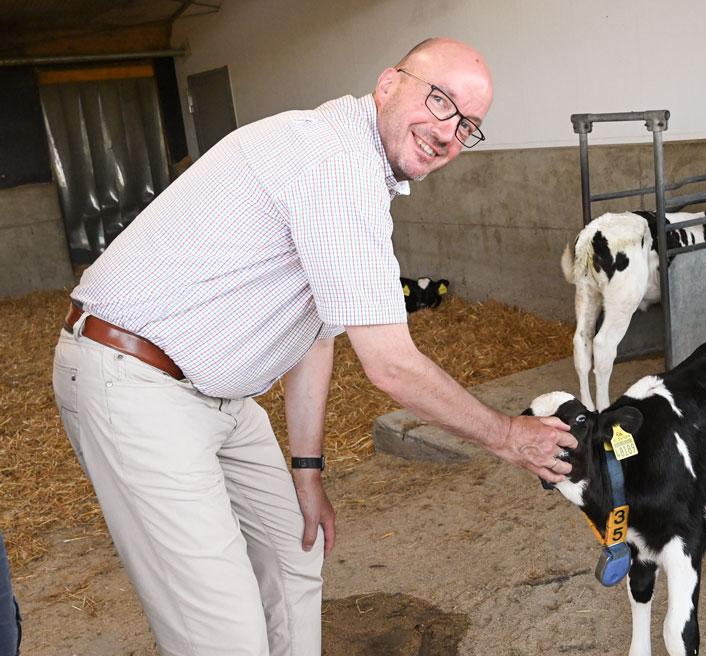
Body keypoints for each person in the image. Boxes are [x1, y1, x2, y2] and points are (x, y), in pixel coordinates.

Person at [51, 37, 576, 655]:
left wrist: (307, 472)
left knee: (294, 555)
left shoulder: (359, 170)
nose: (448, 132)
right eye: (439, 101)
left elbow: (313, 333)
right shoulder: (334, 163)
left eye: (468, 125)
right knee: (222, 635)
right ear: (388, 84)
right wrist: (508, 437)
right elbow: (391, 365)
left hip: (220, 395)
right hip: (136, 379)